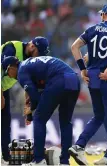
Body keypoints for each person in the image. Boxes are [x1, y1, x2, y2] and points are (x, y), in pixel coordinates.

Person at [68, 4, 107, 165]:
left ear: (103, 15)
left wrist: (82, 69)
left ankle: (79, 145)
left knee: (99, 116)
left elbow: (75, 47)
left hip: (92, 77)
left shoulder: (92, 29)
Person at [3, 56, 80, 165]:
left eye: (7, 73)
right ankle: (64, 161)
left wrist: (31, 111)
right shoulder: (29, 64)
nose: (9, 77)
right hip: (73, 79)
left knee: (39, 119)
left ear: (11, 68)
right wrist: (30, 111)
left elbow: (35, 98)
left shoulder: (21, 72)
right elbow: (37, 94)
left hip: (59, 79)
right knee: (65, 122)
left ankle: (38, 160)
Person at [1, 36, 49, 164]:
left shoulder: (29, 61)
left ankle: (6, 158)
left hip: (3, 88)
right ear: (32, 46)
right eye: (38, 53)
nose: (37, 57)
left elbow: (29, 86)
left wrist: (28, 113)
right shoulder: (12, 48)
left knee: (5, 122)